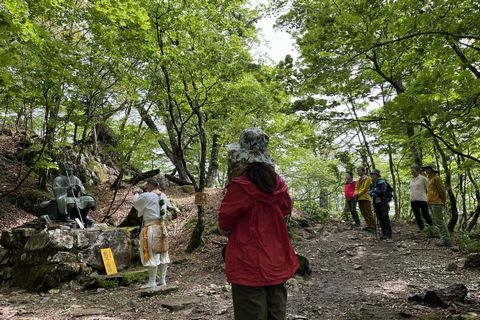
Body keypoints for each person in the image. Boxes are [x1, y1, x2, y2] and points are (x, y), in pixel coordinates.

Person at [218, 128, 299, 320]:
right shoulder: (278, 185)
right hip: (277, 258)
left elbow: (224, 223)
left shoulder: (240, 186)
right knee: (276, 312)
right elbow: (286, 208)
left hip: (248, 262)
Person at [133, 178, 170, 289]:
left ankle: (152, 282)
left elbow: (136, 203)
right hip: (162, 228)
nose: (146, 186)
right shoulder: (164, 195)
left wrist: (136, 193)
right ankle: (162, 280)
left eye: (147, 184)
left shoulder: (147, 195)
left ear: (152, 184)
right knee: (163, 253)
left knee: (151, 253)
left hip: (151, 228)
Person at [53, 161, 95, 228]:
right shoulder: (58, 179)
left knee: (90, 200)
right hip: (64, 196)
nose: (70, 171)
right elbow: (56, 189)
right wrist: (67, 188)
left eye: (71, 170)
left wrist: (79, 188)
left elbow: (82, 189)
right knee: (70, 201)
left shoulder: (76, 179)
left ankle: (84, 216)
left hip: (76, 196)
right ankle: (67, 217)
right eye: (68, 170)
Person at [422, 163, 451, 247]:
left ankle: (446, 240)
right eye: (426, 168)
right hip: (431, 202)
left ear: (432, 169)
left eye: (428, 168)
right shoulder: (429, 179)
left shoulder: (436, 178)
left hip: (437, 202)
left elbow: (442, 191)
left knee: (440, 221)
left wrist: (443, 201)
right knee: (437, 222)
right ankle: (443, 238)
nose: (426, 170)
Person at [368, 169, 392, 239]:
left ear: (377, 175)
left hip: (383, 202)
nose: (372, 175)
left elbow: (383, 192)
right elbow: (370, 191)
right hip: (376, 203)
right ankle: (384, 233)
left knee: (385, 218)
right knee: (380, 218)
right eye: (371, 174)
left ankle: (388, 234)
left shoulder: (382, 182)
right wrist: (372, 193)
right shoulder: (372, 183)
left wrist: (375, 192)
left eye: (373, 174)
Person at [409, 164, 433, 231]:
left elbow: (428, 189)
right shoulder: (411, 179)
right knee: (417, 215)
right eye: (411, 170)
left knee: (425, 214)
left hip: (422, 199)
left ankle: (431, 227)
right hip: (413, 200)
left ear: (418, 171)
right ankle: (422, 229)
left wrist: (429, 198)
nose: (412, 171)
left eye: (413, 170)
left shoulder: (423, 178)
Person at [353, 166, 376, 231]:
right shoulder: (358, 180)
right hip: (359, 198)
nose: (358, 172)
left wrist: (357, 193)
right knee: (363, 212)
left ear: (363, 171)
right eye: (357, 171)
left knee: (368, 212)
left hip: (365, 197)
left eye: (359, 170)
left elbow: (365, 188)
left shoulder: (367, 178)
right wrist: (355, 193)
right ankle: (368, 225)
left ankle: (373, 225)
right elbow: (356, 188)